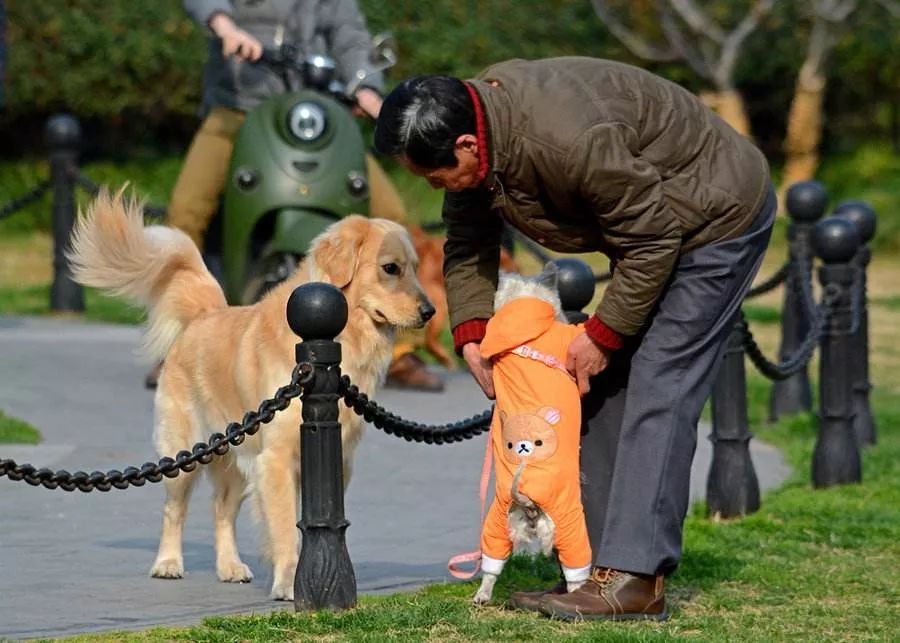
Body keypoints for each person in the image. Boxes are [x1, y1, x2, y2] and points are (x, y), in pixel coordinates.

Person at [374, 57, 775, 621]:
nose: (434, 187)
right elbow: (467, 237)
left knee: (660, 384)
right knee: (599, 382)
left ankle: (637, 580)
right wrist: (471, 334)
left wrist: (605, 333)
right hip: (653, 229)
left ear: (466, 144)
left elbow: (654, 236)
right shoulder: (478, 125)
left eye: (435, 176)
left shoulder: (566, 137)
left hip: (718, 218)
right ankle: (592, 568)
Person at [147, 0, 443, 391]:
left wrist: (368, 89)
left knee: (393, 218)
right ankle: (175, 346)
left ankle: (401, 349)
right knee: (185, 215)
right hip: (239, 107)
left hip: (316, 109)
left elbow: (349, 33)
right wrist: (226, 28)